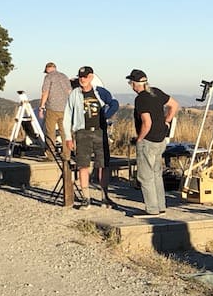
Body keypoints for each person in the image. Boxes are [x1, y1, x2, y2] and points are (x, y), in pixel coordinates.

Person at [62, 66, 119, 207]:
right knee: (83, 166)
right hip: (82, 133)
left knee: (103, 165)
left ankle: (104, 197)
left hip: (100, 132)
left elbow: (114, 103)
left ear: (91, 77)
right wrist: (68, 137)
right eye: (81, 77)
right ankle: (86, 198)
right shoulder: (74, 94)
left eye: (85, 77)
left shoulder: (100, 92)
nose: (83, 79)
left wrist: (105, 115)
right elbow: (67, 115)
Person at [126, 68, 179, 218]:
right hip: (161, 139)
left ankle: (151, 209)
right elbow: (174, 105)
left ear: (136, 84)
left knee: (144, 176)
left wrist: (139, 139)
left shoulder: (141, 99)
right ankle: (160, 206)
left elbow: (146, 123)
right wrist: (166, 122)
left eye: (131, 83)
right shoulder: (156, 92)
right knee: (156, 173)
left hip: (148, 141)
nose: (131, 86)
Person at [39, 62, 72, 158]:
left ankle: (51, 155)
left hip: (52, 108)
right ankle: (66, 154)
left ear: (47, 69)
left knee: (50, 132)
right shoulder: (64, 76)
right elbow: (69, 91)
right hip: (65, 108)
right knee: (65, 132)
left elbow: (45, 92)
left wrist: (41, 106)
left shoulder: (48, 77)